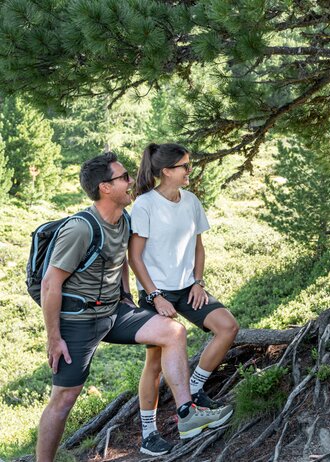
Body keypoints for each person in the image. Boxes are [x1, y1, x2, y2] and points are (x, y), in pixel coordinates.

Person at [36, 153, 232, 462]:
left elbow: (124, 259)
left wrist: (127, 295)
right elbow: (50, 284)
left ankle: (187, 412)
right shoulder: (80, 229)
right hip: (79, 319)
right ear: (105, 187)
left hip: (113, 312)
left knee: (173, 331)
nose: (131, 182)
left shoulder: (124, 220)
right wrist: (54, 337)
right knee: (64, 399)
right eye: (123, 177)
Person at [129, 143, 239, 455]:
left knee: (227, 327)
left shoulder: (190, 201)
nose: (189, 171)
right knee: (153, 364)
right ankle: (149, 434)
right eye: (184, 167)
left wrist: (198, 281)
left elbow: (198, 245)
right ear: (166, 171)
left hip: (188, 289)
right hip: (155, 292)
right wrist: (155, 296)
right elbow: (134, 257)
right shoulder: (145, 204)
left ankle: (193, 390)